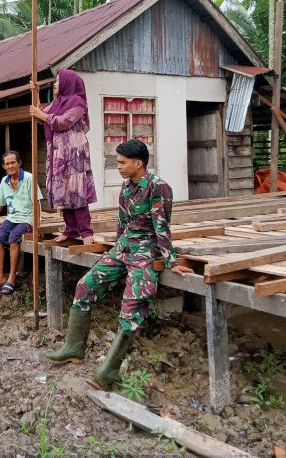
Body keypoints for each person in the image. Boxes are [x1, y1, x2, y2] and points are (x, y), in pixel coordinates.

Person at [44, 139, 194, 390]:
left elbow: (162, 226)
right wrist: (114, 250)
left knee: (132, 306)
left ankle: (108, 372)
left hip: (146, 253)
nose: (119, 167)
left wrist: (170, 261)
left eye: (123, 163)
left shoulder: (158, 188)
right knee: (84, 286)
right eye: (118, 162)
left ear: (139, 163)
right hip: (122, 249)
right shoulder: (127, 187)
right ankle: (73, 349)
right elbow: (122, 223)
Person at [28, 70, 97, 245]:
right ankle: (71, 229)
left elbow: (62, 122)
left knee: (76, 189)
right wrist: (35, 92)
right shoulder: (58, 103)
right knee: (64, 190)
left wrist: (42, 115)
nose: (56, 84)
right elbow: (41, 115)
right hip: (59, 152)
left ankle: (85, 231)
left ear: (68, 83)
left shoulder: (77, 103)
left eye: (58, 81)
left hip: (74, 153)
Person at [0, 151, 42, 296]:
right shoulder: (4, 181)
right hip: (12, 218)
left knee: (14, 237)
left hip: (27, 219)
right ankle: (0, 277)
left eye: (13, 162)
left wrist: (37, 225)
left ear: (19, 163)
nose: (10, 166)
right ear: (3, 166)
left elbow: (37, 202)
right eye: (7, 163)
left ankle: (12, 277)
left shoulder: (29, 179)